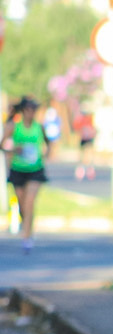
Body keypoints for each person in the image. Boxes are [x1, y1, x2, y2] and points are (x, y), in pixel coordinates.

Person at [3, 96, 51, 253]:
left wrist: (45, 155)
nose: (32, 113)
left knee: (30, 202)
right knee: (22, 204)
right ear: (23, 111)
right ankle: (27, 226)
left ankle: (27, 237)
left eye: (34, 110)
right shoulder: (13, 127)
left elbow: (48, 142)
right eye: (29, 110)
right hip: (18, 169)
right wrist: (13, 150)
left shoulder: (39, 127)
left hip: (35, 169)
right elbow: (3, 144)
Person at [72, 106, 97, 181]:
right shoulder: (82, 120)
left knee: (88, 154)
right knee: (82, 155)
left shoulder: (90, 119)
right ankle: (81, 170)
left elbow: (93, 129)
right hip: (83, 139)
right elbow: (77, 128)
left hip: (89, 139)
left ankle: (89, 170)